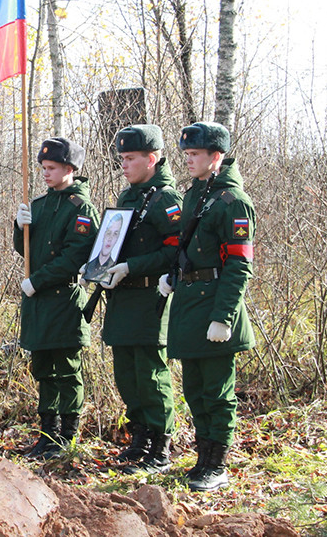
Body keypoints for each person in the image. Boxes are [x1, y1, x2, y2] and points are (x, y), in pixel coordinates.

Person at [157, 121, 255, 492]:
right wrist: (174, 277)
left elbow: (239, 265)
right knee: (195, 389)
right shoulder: (195, 194)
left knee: (217, 390)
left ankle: (218, 462)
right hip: (190, 304)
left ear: (217, 157)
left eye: (195, 154)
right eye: (186, 155)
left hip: (215, 305)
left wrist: (223, 317)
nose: (189, 161)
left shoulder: (233, 202)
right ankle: (202, 457)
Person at [98, 125, 183, 473]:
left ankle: (161, 446)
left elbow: (176, 250)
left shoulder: (167, 199)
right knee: (127, 374)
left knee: (150, 374)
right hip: (123, 297)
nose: (124, 164)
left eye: (130, 158)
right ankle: (140, 437)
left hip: (151, 295)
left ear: (153, 158)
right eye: (121, 158)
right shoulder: (128, 197)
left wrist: (132, 265)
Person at [14, 137, 99, 458]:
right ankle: (46, 434)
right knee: (43, 368)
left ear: (70, 169)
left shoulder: (81, 209)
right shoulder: (39, 205)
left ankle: (67, 435)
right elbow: (25, 251)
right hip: (37, 302)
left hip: (63, 300)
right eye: (43, 168)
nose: (45, 174)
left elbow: (74, 256)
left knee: (66, 370)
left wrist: (38, 281)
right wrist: (18, 226)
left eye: (52, 168)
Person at [83, 212, 124, 283]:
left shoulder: (115, 267)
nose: (110, 238)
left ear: (118, 238)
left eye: (115, 234)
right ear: (103, 234)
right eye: (108, 232)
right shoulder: (89, 266)